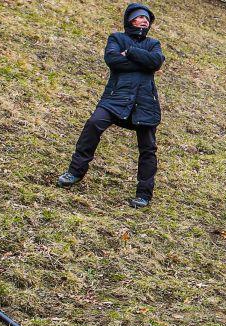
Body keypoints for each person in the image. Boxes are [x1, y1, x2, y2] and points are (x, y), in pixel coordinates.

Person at [57, 3, 165, 208]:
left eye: (147, 19)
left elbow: (156, 62)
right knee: (93, 124)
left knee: (148, 149)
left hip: (145, 103)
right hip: (115, 99)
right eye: (140, 17)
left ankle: (143, 195)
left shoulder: (153, 43)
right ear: (130, 20)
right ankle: (74, 172)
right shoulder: (116, 38)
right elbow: (113, 60)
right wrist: (144, 62)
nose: (145, 21)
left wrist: (131, 52)